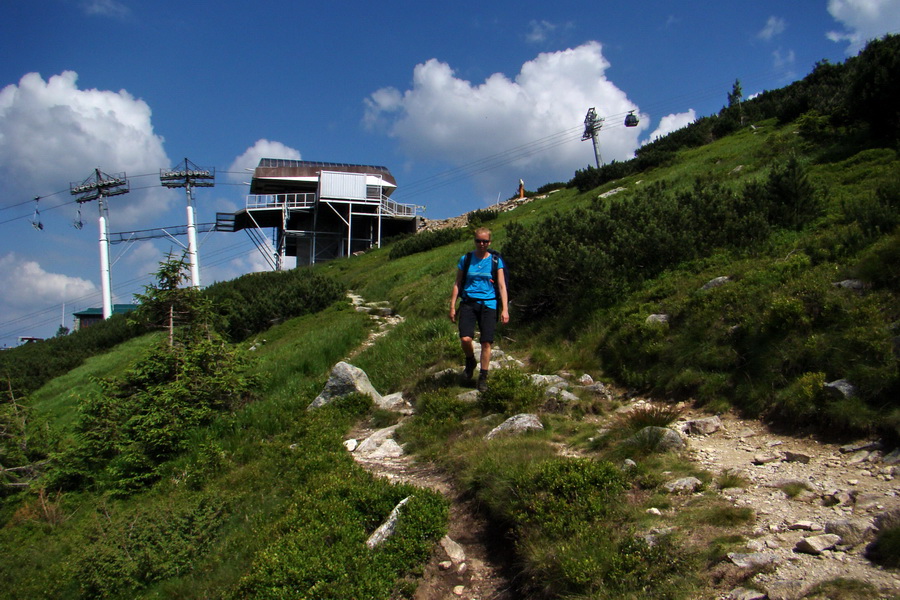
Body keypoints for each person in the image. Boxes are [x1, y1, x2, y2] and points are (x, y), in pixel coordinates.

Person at [449, 227, 509, 392]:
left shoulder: (496, 261)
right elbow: (457, 283)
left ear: (489, 242)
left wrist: (505, 309)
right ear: (474, 241)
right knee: (465, 339)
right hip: (468, 303)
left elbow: (502, 286)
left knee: (486, 342)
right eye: (478, 241)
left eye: (485, 241)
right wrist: (452, 305)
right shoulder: (466, 259)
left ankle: (483, 377)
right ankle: (470, 360)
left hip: (489, 304)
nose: (481, 244)